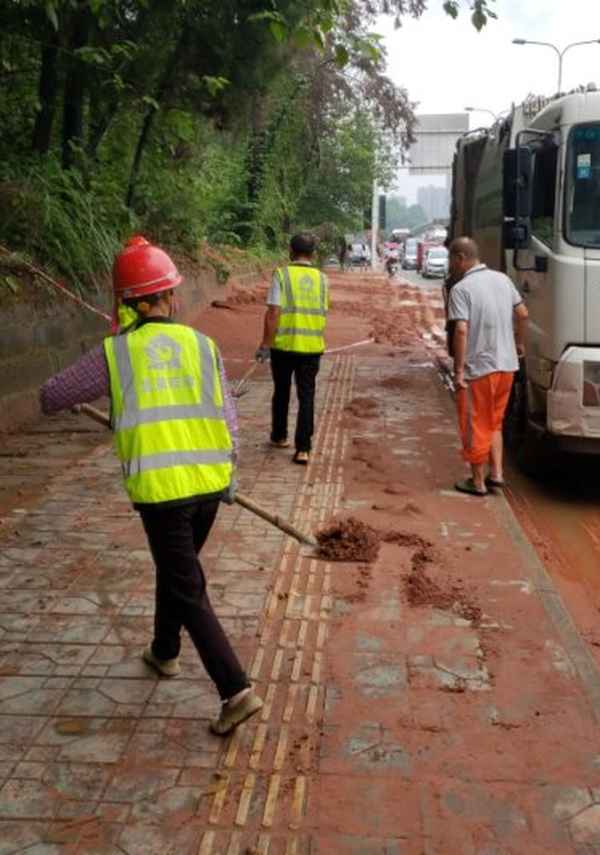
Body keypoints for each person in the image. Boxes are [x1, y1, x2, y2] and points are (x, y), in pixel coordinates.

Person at [39, 236, 263, 735]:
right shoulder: (203, 346)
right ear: (162, 299)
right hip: (209, 489)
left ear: (128, 304)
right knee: (177, 572)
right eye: (171, 293)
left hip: (163, 495)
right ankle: (165, 650)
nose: (175, 300)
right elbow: (229, 419)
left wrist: (63, 398)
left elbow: (52, 394)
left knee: (188, 586)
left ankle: (236, 690)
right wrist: (230, 474)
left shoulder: (115, 354)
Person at [447, 236, 528, 496]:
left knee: (475, 423)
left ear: (460, 258)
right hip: (507, 366)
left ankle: (478, 482)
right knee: (495, 422)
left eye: (451, 260)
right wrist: (518, 343)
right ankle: (497, 475)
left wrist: (459, 371)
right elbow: (523, 314)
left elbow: (461, 330)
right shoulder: (503, 279)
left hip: (479, 368)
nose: (451, 266)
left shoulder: (461, 289)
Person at [255, 233, 329, 465]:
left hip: (284, 347)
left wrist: (265, 344)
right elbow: (323, 311)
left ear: (290, 250)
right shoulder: (322, 279)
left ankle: (279, 436)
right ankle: (303, 449)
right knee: (307, 396)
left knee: (282, 391)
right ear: (313, 254)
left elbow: (273, 312)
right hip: (311, 348)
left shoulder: (282, 275)